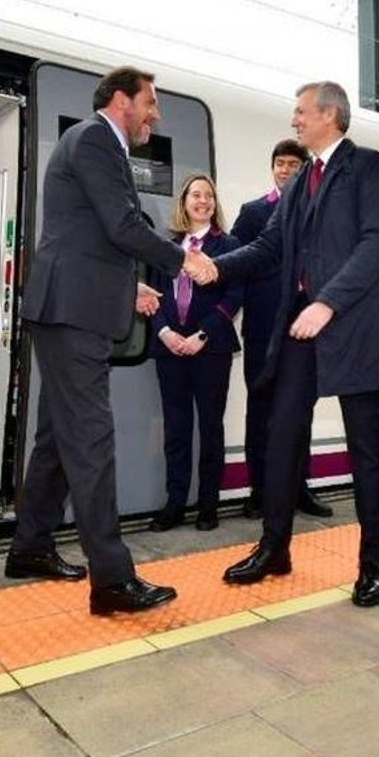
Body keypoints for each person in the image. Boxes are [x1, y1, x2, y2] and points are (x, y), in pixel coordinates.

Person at [7, 66, 216, 615]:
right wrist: (184, 261)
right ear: (122, 100)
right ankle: (112, 580)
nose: (155, 115)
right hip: (73, 313)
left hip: (71, 306)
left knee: (58, 438)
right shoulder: (96, 139)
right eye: (151, 103)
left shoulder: (93, 143)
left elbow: (91, 238)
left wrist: (130, 287)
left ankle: (30, 546)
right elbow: (122, 227)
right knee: (92, 441)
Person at [206, 81, 379, 608]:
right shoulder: (299, 183)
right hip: (300, 329)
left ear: (330, 115)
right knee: (282, 434)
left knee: (366, 446)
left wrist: (328, 302)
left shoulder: (368, 167)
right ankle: (275, 547)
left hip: (353, 326)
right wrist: (215, 267)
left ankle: (373, 562)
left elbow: (378, 242)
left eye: (300, 111)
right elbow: (270, 246)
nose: (293, 120)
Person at [229, 139, 334, 522]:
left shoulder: (319, 212)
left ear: (305, 170)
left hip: (304, 329)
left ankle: (298, 488)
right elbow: (238, 264)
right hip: (262, 327)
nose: (286, 170)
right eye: (280, 163)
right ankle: (259, 491)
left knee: (300, 411)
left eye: (294, 164)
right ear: (272, 168)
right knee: (260, 410)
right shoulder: (253, 212)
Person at [147, 174, 243, 532]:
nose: (203, 201)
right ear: (184, 202)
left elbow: (235, 296)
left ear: (214, 204)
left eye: (209, 196)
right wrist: (164, 332)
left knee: (211, 428)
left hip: (211, 349)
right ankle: (174, 504)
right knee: (176, 430)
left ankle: (208, 505)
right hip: (169, 349)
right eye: (196, 195)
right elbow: (153, 295)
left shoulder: (229, 245)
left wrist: (202, 334)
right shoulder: (168, 247)